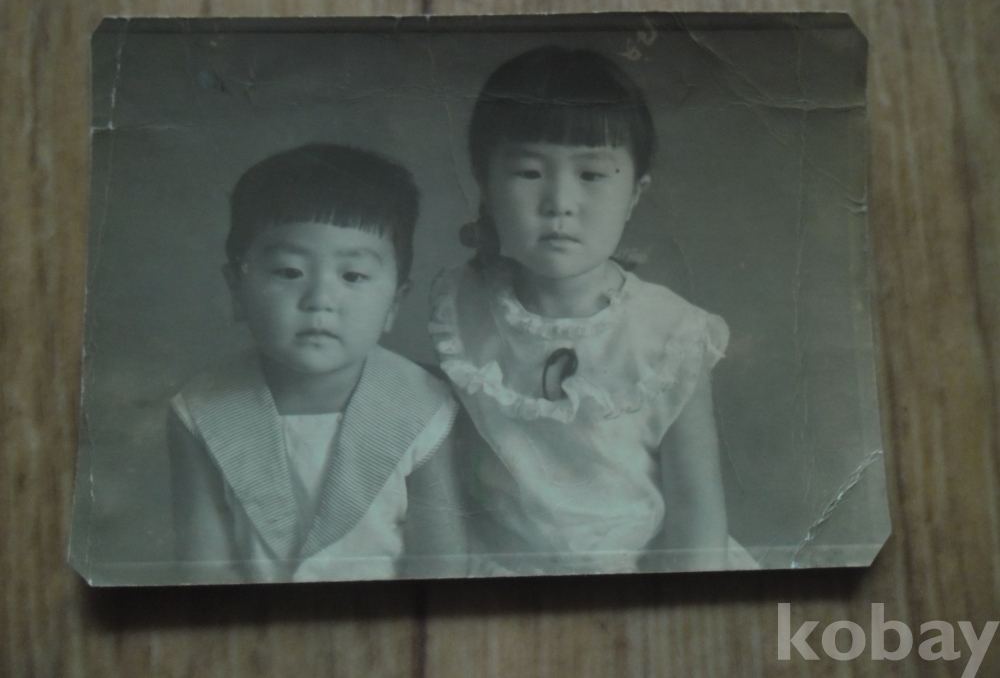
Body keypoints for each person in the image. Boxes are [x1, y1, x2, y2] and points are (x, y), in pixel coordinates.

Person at [430, 46, 754, 575]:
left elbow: (697, 510)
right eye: (529, 172)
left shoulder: (669, 333)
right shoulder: (461, 307)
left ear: (634, 194)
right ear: (485, 185)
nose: (560, 202)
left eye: (592, 175)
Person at [168, 143, 463, 583]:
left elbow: (441, 561)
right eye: (290, 272)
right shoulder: (200, 409)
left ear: (394, 303)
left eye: (353, 276)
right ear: (237, 290)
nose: (320, 300)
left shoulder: (423, 404)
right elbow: (204, 568)